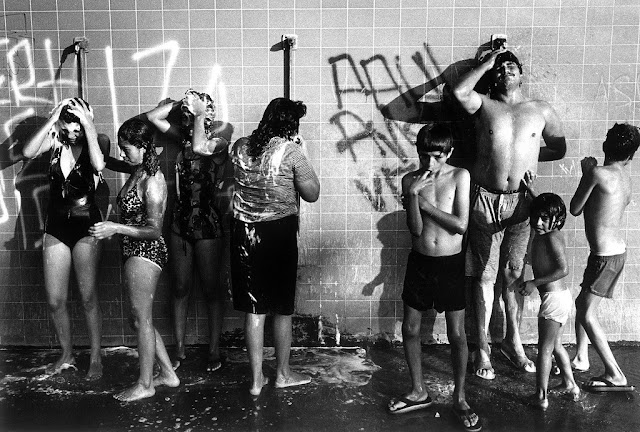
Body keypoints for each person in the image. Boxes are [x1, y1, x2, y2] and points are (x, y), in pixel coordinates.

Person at [452, 47, 566, 379]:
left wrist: (528, 161)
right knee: (485, 276)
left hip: (522, 203)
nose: (504, 71)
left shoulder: (540, 109)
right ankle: (483, 348)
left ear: (522, 73)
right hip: (485, 199)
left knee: (514, 274)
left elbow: (558, 148)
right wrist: (486, 62)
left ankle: (513, 343)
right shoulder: (484, 105)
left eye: (510, 66)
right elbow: (459, 92)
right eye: (499, 68)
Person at [388, 124, 481, 431]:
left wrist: (424, 203)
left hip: (450, 264)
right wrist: (412, 196)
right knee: (410, 328)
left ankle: (460, 397)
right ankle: (418, 391)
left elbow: (460, 225)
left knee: (456, 335)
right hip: (420, 263)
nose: (429, 163)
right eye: (424, 155)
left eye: (437, 156)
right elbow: (415, 230)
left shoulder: (459, 176)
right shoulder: (409, 180)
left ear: (449, 153)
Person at [230, 97, 320, 396]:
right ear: (292, 126)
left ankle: (256, 381)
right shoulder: (291, 151)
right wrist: (303, 151)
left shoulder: (241, 146)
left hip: (244, 233)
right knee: (281, 309)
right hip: (278, 234)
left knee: (254, 310)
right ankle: (282, 374)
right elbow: (312, 193)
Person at [89, 118, 179, 401]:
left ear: (143, 147)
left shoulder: (153, 181)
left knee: (141, 319)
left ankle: (145, 384)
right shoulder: (138, 169)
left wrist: (115, 227)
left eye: (126, 148)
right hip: (133, 250)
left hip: (146, 251)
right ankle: (167, 373)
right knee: (139, 319)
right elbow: (104, 162)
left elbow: (154, 230)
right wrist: (90, 128)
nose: (122, 153)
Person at [22, 98, 108, 380]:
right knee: (56, 300)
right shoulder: (55, 141)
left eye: (78, 129)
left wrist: (89, 125)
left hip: (87, 226)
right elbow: (27, 151)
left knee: (87, 297)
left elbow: (98, 164)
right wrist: (52, 119)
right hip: (56, 225)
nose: (73, 135)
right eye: (68, 129)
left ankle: (95, 355)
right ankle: (67, 353)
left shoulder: (98, 139)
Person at [145, 90, 230, 372]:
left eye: (202, 113)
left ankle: (214, 349)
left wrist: (198, 112)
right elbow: (152, 118)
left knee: (210, 290)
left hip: (207, 223)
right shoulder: (181, 139)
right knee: (180, 287)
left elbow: (200, 147)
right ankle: (180, 349)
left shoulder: (219, 142)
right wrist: (180, 103)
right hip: (180, 223)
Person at [569, 123, 639, 392]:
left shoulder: (597, 173)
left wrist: (586, 172)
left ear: (604, 145)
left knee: (586, 313)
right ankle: (582, 357)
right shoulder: (625, 177)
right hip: (613, 253)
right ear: (631, 156)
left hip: (605, 257)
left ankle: (615, 374)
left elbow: (575, 208)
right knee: (582, 303)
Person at [518, 187, 580, 410]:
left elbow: (563, 269)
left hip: (554, 299)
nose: (538, 223)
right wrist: (530, 191)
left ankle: (541, 396)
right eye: (535, 217)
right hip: (559, 299)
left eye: (544, 219)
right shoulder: (545, 232)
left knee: (544, 349)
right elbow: (544, 209)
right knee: (555, 345)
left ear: (557, 220)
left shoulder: (552, 237)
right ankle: (570, 383)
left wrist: (534, 282)